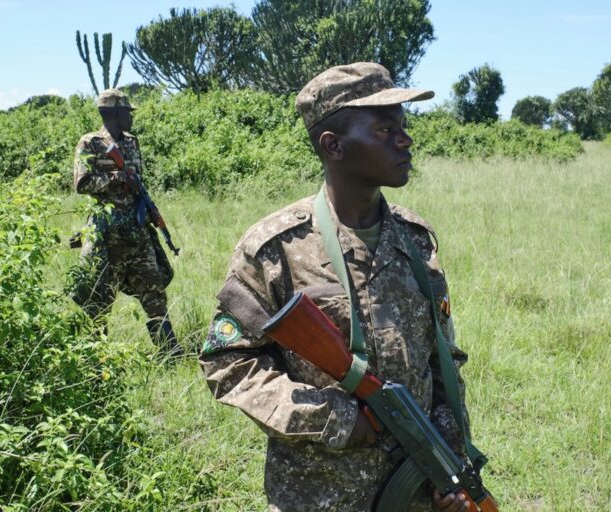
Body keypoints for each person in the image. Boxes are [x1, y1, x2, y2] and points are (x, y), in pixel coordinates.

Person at [200, 63, 476, 511]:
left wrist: (449, 463)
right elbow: (227, 363)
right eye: (385, 129)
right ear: (334, 145)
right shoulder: (275, 248)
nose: (405, 139)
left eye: (403, 126)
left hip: (416, 493)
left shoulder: (416, 239)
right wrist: (333, 418)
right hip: (317, 495)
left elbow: (444, 361)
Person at [70, 88, 181, 358]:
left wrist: (149, 210)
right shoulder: (91, 142)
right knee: (99, 298)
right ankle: (96, 360)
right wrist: (116, 178)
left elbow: (139, 183)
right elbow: (81, 183)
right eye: (126, 113)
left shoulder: (132, 141)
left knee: (154, 290)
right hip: (107, 235)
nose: (131, 118)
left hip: (137, 232)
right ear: (113, 113)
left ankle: (170, 353)